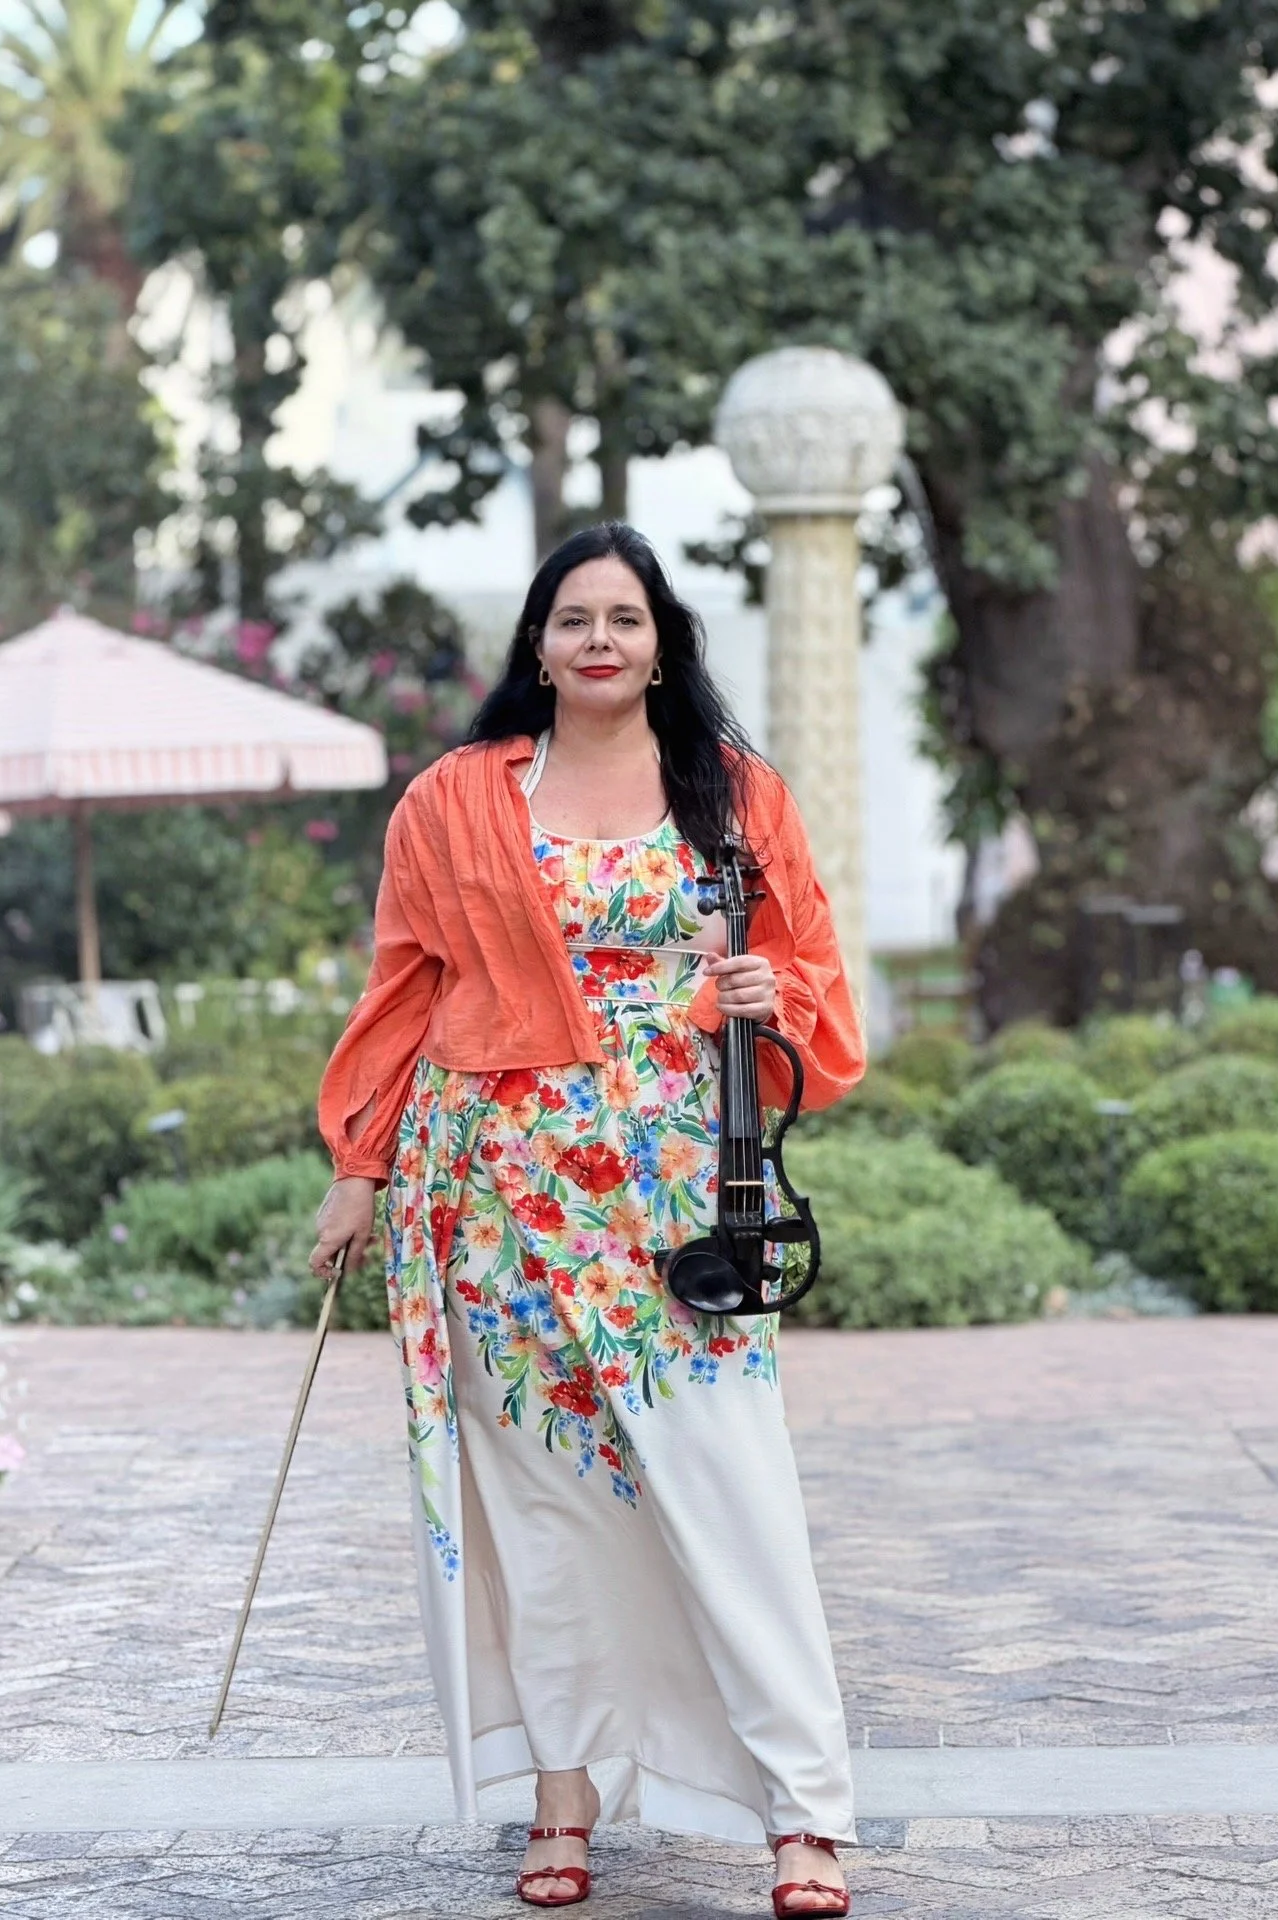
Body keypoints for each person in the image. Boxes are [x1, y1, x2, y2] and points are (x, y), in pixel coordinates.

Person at [311, 522, 865, 1915]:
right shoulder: (451, 800)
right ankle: (564, 1798)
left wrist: (767, 1001)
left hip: (680, 1201)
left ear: (662, 640)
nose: (599, 639)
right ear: (539, 646)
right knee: (547, 1509)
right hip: (491, 1193)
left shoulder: (735, 795)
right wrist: (358, 1164)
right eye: (573, 620)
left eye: (624, 617)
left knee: (729, 1489)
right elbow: (400, 988)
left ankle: (804, 1814)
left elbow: (812, 983)